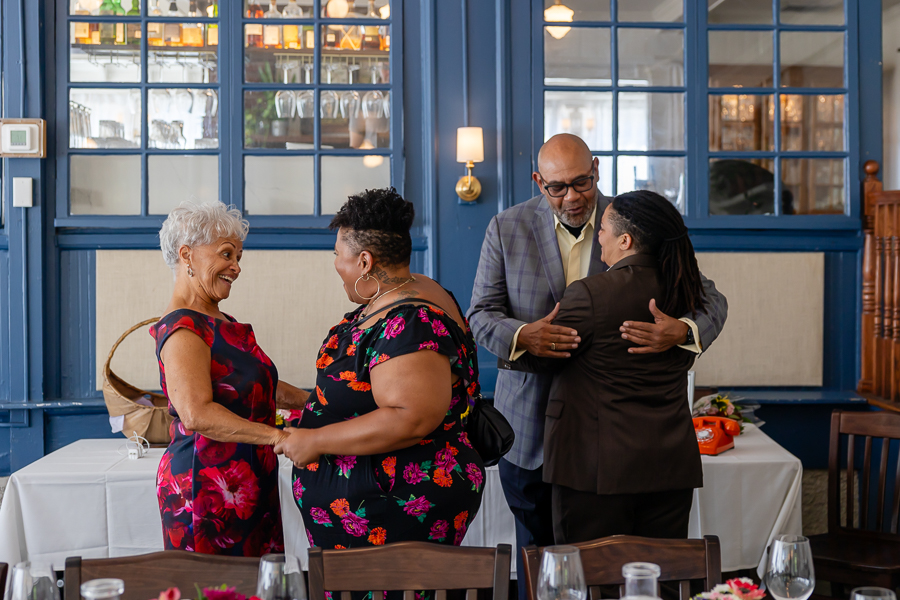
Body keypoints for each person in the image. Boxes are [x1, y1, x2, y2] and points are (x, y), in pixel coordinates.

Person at [467, 134, 727, 594]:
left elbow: (709, 299)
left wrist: (683, 330)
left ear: (598, 170)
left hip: (609, 441)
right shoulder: (506, 227)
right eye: (557, 187)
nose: (572, 196)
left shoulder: (631, 220)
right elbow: (480, 316)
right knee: (539, 563)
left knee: (608, 571)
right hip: (528, 428)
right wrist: (524, 335)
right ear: (538, 182)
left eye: (582, 182)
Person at [275, 188, 485, 551]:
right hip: (372, 507)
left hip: (392, 511)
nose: (336, 263)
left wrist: (315, 439)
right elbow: (369, 392)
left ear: (365, 262)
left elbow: (410, 416)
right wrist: (299, 401)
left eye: (338, 254)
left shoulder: (411, 319)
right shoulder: (409, 293)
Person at [515, 190, 705, 542]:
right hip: (670, 463)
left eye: (602, 229)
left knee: (590, 581)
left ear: (626, 240)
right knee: (661, 579)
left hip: (596, 469)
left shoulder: (589, 293)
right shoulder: (687, 290)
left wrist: (516, 340)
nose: (598, 236)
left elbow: (544, 355)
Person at [151, 201, 309, 556]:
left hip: (247, 478)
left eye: (238, 256)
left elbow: (261, 385)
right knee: (217, 589)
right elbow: (196, 414)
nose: (236, 267)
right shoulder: (182, 328)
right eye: (226, 254)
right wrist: (278, 436)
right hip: (207, 486)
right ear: (187, 255)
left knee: (254, 585)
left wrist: (318, 402)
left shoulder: (218, 320)